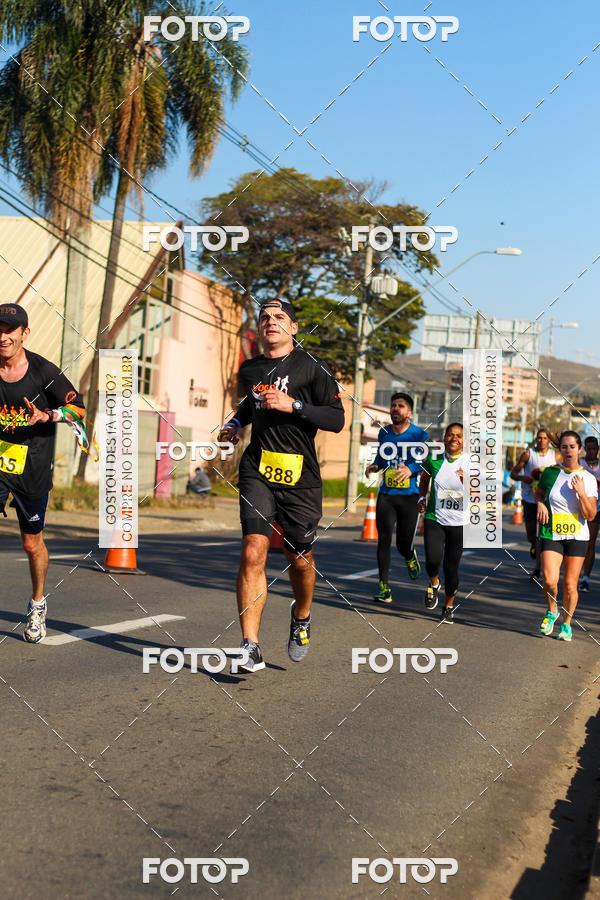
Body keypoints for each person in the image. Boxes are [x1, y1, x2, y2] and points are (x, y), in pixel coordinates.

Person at [218, 298, 344, 673]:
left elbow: (336, 420)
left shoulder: (312, 367)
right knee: (252, 550)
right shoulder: (251, 368)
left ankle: (301, 615)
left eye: (279, 317)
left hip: (300, 476)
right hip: (257, 468)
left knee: (299, 560)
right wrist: (233, 425)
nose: (271, 322)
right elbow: (249, 406)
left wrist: (295, 406)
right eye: (265, 317)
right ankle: (250, 646)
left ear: (294, 327)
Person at [0, 303, 85, 643]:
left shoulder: (43, 371)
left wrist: (48, 415)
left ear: (24, 333)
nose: (3, 337)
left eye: (10, 330)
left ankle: (37, 604)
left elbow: (78, 409)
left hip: (32, 466)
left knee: (31, 543)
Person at [365, 392, 429, 603]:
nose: (395, 409)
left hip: (409, 497)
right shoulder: (384, 433)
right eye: (393, 405)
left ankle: (409, 556)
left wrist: (411, 469)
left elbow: (428, 461)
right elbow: (382, 456)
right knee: (383, 540)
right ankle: (384, 588)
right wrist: (375, 465)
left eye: (400, 406)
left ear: (409, 412)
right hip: (387, 495)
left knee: (403, 544)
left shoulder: (419, 435)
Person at [535, 430, 597, 642]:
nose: (568, 451)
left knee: (570, 585)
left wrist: (581, 492)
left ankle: (567, 624)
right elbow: (539, 493)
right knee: (549, 580)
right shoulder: (550, 472)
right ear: (559, 449)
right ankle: (552, 610)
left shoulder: (588, 478)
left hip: (577, 536)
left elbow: (590, 515)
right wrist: (541, 504)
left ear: (579, 449)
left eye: (572, 447)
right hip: (551, 532)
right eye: (564, 447)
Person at [417, 423, 466, 624]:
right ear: (444, 438)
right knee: (432, 560)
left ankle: (448, 607)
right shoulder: (434, 460)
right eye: (450, 435)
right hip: (434, 518)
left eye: (459, 436)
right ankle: (434, 583)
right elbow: (424, 480)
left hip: (459, 524)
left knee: (451, 568)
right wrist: (422, 498)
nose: (454, 438)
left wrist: (467, 482)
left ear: (464, 441)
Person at [511, 428, 559, 579]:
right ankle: (533, 544)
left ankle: (537, 568)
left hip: (545, 501)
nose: (541, 441)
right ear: (535, 439)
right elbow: (513, 473)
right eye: (539, 438)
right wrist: (522, 478)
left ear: (548, 440)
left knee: (541, 536)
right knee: (531, 535)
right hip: (529, 499)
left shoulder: (555, 456)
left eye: (545, 438)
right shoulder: (528, 454)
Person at [579, 435, 600, 591]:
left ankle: (585, 577)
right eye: (589, 449)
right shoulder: (579, 463)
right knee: (588, 542)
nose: (592, 451)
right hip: (585, 508)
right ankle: (583, 576)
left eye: (594, 449)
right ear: (585, 449)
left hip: (598, 507)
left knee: (591, 542)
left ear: (598, 449)